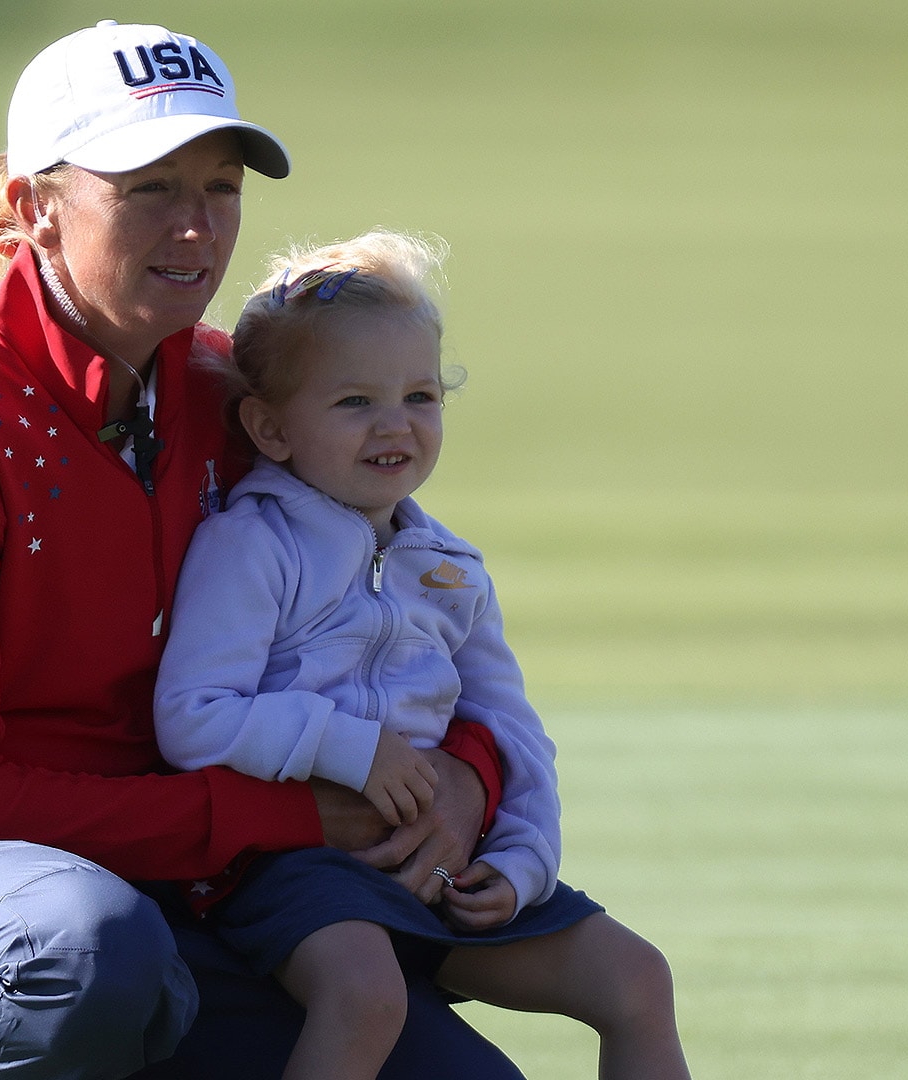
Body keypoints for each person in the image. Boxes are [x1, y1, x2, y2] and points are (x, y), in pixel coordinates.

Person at [0, 20, 554, 1080]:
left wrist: (467, 777)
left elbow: (400, 612)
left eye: (221, 187)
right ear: (32, 210)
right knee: (83, 951)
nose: (197, 228)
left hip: (180, 887)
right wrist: (282, 813)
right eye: (148, 188)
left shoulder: (231, 396)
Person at [152, 232, 692, 1080]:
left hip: (439, 869)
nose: (396, 424)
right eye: (355, 402)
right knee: (366, 997)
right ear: (270, 427)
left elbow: (511, 732)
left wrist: (521, 860)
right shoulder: (250, 544)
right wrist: (352, 748)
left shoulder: (450, 568)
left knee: (636, 978)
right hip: (289, 868)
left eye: (421, 395)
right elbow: (192, 718)